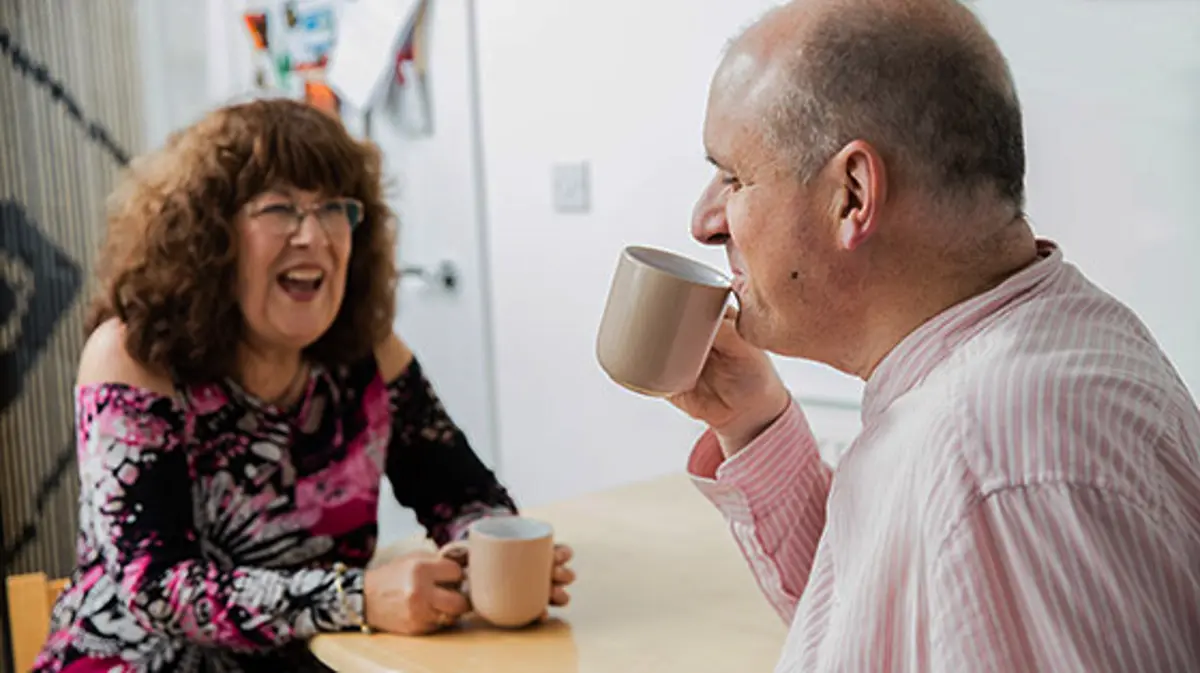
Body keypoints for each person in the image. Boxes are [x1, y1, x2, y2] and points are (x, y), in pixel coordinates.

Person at [670, 0, 1200, 671]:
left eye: (734, 177)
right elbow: (909, 617)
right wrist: (753, 423)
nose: (704, 221)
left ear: (853, 196)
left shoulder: (992, 456)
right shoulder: (1042, 348)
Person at [33, 98, 574, 673]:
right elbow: (157, 589)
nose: (312, 235)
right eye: (280, 208)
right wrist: (357, 599)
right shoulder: (132, 355)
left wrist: (483, 558)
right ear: (211, 234)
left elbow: (466, 496)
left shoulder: (370, 356)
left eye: (334, 209)